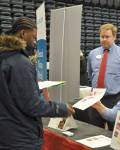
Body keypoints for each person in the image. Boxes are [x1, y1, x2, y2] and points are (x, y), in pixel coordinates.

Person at [0, 17, 75, 150]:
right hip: (21, 138)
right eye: (33, 38)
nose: (34, 43)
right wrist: (61, 108)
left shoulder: (5, 58)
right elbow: (32, 105)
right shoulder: (19, 62)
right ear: (23, 34)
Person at [87, 23, 120, 130]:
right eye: (102, 37)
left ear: (114, 37)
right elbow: (90, 74)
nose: (104, 39)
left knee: (115, 134)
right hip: (96, 99)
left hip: (116, 100)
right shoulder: (92, 54)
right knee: (94, 132)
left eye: (107, 37)